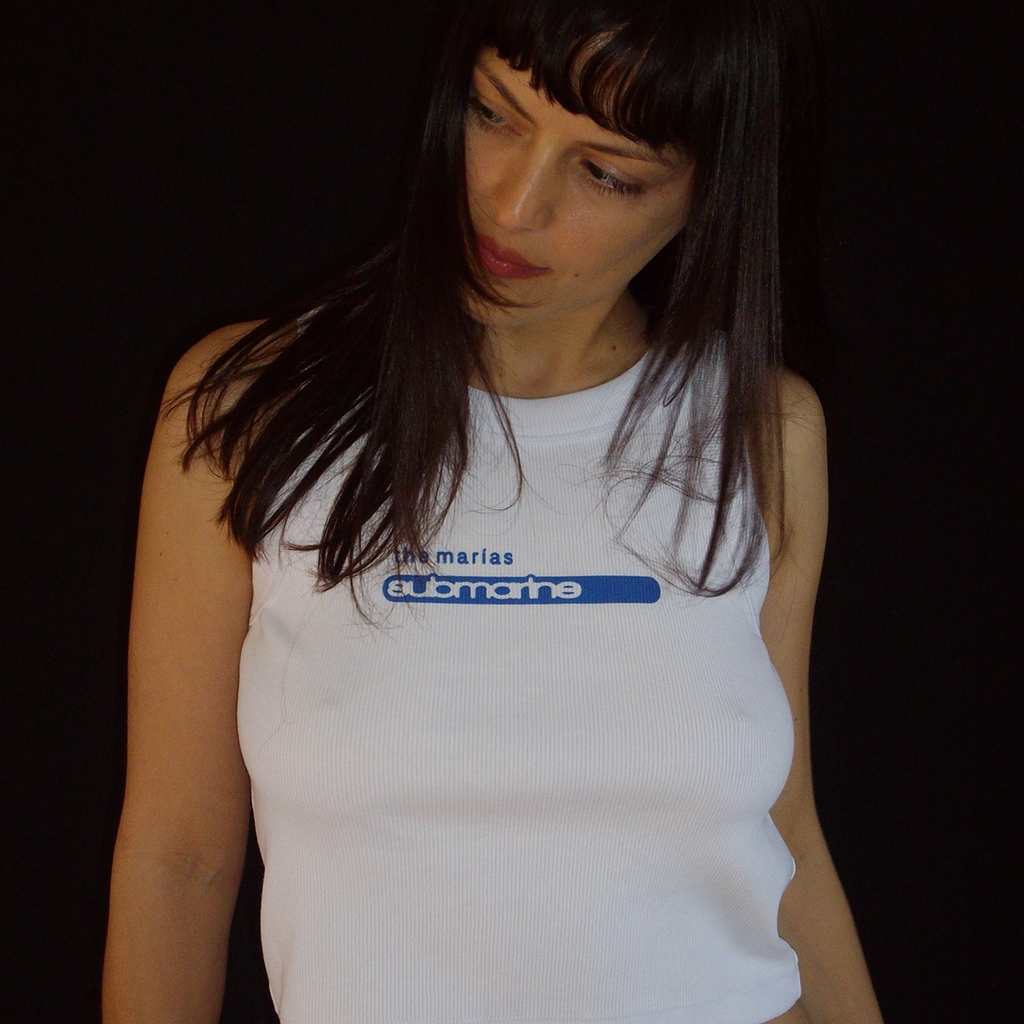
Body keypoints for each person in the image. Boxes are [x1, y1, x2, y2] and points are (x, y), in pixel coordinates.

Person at [103, 1, 885, 1022]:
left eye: (606, 173)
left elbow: (784, 832)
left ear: (717, 187)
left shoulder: (764, 433)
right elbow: (178, 857)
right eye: (494, 114)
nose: (513, 206)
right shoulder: (250, 413)